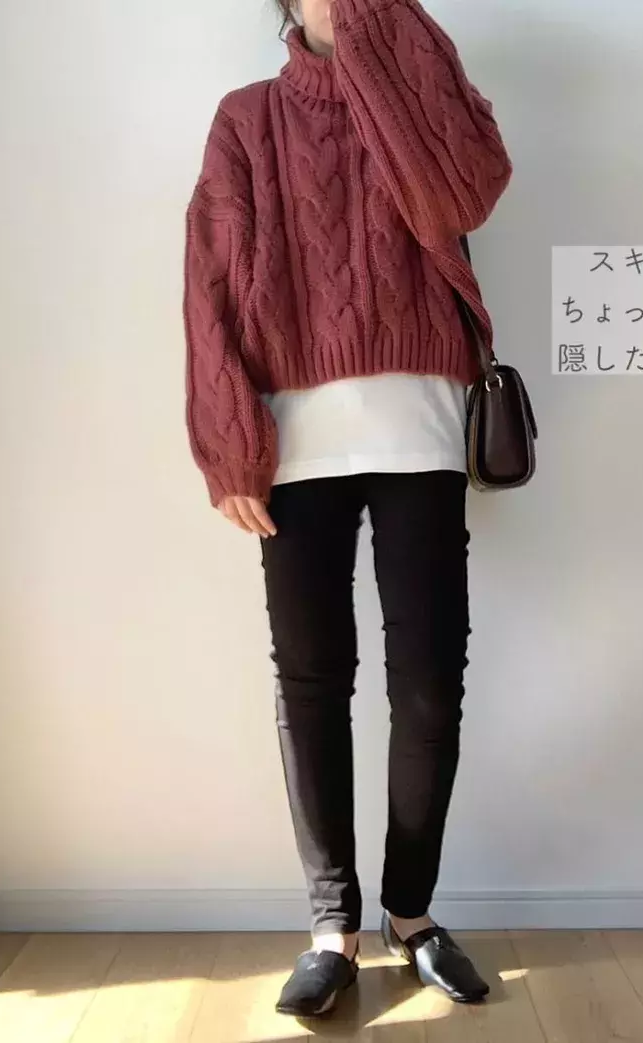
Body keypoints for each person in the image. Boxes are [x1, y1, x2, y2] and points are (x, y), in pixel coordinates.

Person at [183, 0, 512, 1018]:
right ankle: (333, 924)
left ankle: (411, 912)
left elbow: (470, 188)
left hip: (423, 427)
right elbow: (208, 282)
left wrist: (385, 47)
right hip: (294, 444)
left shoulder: (420, 81)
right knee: (313, 680)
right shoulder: (247, 117)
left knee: (431, 683)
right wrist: (228, 440)